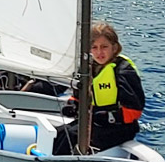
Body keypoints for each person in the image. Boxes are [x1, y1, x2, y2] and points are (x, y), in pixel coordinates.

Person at [51, 21, 145, 154]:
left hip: (120, 128)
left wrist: (109, 117)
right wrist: (73, 104)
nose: (99, 52)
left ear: (114, 47)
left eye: (104, 47)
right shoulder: (87, 69)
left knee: (72, 136)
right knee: (58, 133)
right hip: (95, 123)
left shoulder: (123, 71)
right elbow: (78, 96)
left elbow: (134, 111)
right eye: (94, 47)